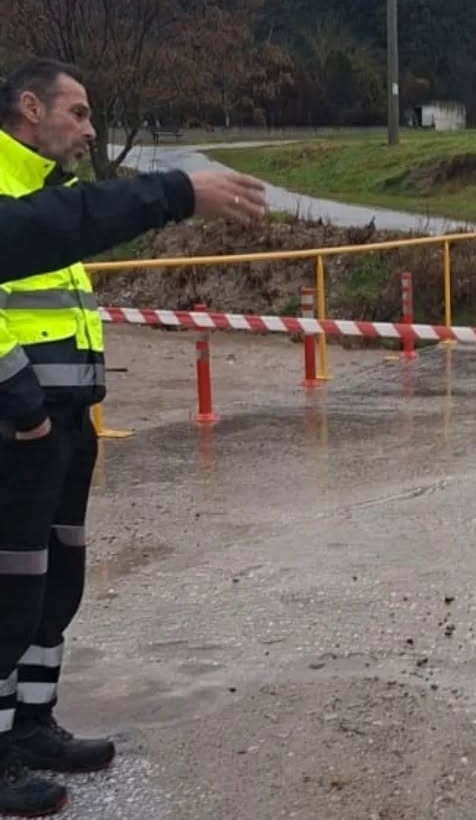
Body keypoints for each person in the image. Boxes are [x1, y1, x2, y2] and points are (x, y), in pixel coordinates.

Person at [0, 57, 266, 816]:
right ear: (30, 108)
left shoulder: (43, 188)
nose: (90, 130)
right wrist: (21, 401)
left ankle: (32, 724)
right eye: (78, 113)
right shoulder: (12, 191)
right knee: (9, 590)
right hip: (18, 427)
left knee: (55, 582)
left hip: (65, 420)